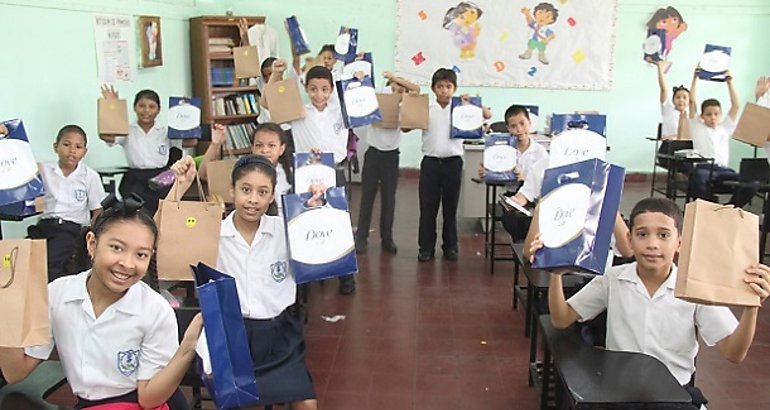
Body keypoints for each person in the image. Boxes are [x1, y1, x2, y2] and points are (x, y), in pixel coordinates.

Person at [532, 197, 770, 408]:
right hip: (617, 395)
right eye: (642, 234)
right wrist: (555, 274)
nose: (652, 244)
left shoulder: (693, 287)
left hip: (673, 396)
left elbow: (734, 353)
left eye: (664, 235)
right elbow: (561, 319)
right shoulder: (613, 279)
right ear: (629, 239)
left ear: (680, 242)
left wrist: (751, 307)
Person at [0, 195, 203, 409]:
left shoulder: (155, 310)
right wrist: (6, 307)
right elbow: (15, 371)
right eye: (116, 248)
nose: (127, 263)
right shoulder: (57, 294)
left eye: (141, 255)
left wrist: (187, 347)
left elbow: (148, 398)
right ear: (92, 244)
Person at [170, 155, 318, 409]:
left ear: (272, 196)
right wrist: (180, 186)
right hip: (231, 335)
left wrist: (319, 206)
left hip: (279, 334)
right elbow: (165, 237)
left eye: (263, 192)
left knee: (306, 403)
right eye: (246, 190)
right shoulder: (213, 232)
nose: (253, 199)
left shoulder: (286, 230)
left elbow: (327, 244)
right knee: (237, 401)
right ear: (232, 190)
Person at [264, 59, 356, 294]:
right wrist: (276, 75)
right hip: (305, 174)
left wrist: (359, 78)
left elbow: (364, 103)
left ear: (332, 90)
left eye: (325, 89)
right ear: (306, 89)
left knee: (337, 224)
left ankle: (346, 277)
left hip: (334, 171)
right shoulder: (299, 110)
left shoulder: (341, 111)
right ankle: (307, 275)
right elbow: (268, 104)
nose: (319, 94)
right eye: (313, 89)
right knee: (307, 225)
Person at [418, 67, 492, 262]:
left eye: (448, 86)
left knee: (450, 208)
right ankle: (425, 248)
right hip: (430, 163)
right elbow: (408, 124)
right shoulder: (426, 107)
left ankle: (450, 246)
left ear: (455, 89)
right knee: (428, 208)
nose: (444, 90)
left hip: (453, 163)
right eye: (440, 86)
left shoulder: (460, 107)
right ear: (433, 88)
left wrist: (472, 103)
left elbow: (487, 115)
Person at [98, 86, 197, 215]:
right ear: (134, 108)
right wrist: (112, 107)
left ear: (158, 110)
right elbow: (106, 136)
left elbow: (191, 142)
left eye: (152, 107)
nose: (146, 110)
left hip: (161, 180)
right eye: (142, 106)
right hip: (134, 181)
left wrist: (187, 112)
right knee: (134, 216)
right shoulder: (127, 130)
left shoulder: (165, 131)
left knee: (161, 215)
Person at [27, 125, 106, 282]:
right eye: (66, 144)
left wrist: (93, 235)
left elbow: (97, 210)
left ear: (84, 152)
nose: (72, 151)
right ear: (56, 147)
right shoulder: (43, 170)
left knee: (51, 261)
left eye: (78, 147)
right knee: (24, 256)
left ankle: (50, 293)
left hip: (71, 229)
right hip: (44, 226)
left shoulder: (90, 176)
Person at [354, 71, 419, 255]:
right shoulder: (378, 100)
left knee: (389, 198)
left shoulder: (404, 107)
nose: (396, 92)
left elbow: (416, 89)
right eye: (393, 88)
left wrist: (397, 79)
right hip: (373, 154)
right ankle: (361, 237)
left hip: (391, 157)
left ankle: (387, 238)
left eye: (400, 90)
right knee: (367, 197)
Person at [478, 105, 548, 242]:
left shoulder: (540, 152)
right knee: (514, 221)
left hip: (534, 201)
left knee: (532, 222)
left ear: (530, 123)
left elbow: (545, 181)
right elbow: (495, 174)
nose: (519, 129)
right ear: (508, 128)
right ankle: (521, 246)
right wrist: (487, 172)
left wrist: (525, 179)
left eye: (522, 123)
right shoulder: (502, 150)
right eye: (513, 126)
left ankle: (525, 247)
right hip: (511, 198)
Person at [199, 123, 293, 216]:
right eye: (259, 145)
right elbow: (203, 174)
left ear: (281, 149)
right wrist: (215, 144)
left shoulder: (293, 172)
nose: (265, 150)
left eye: (271, 145)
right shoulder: (242, 169)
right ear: (252, 148)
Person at [686, 67, 745, 204]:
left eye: (716, 114)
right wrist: (695, 79)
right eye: (708, 114)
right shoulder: (697, 126)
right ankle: (708, 207)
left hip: (723, 170)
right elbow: (692, 102)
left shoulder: (725, 128)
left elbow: (736, 106)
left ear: (720, 115)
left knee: (751, 182)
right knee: (698, 177)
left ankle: (731, 207)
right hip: (704, 169)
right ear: (702, 116)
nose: (713, 117)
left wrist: (729, 82)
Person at [656, 60, 691, 140]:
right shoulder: (668, 110)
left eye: (684, 97)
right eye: (678, 97)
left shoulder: (690, 117)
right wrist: (660, 68)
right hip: (669, 145)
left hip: (684, 145)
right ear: (673, 100)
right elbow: (663, 89)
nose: (681, 100)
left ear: (689, 101)